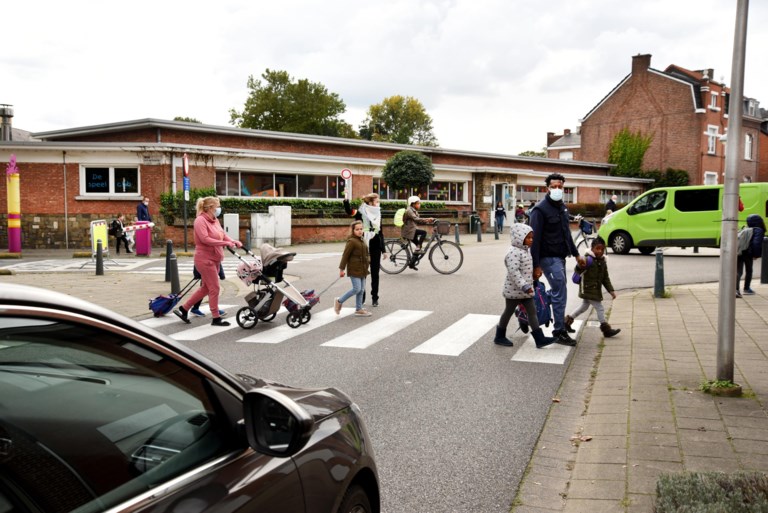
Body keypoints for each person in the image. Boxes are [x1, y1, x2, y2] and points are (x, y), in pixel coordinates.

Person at [529, 173, 585, 346]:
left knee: (559, 292)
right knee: (560, 291)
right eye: (553, 186)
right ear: (547, 188)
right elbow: (534, 239)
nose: (557, 189)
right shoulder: (540, 210)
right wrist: (536, 265)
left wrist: (576, 254)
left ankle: (527, 307)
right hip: (547, 258)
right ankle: (558, 330)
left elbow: (566, 234)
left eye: (560, 186)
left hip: (560, 257)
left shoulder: (562, 207)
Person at [174, 197, 241, 326]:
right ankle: (216, 317)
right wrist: (225, 243)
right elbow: (205, 239)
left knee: (205, 288)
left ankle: (184, 309)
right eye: (218, 206)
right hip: (204, 259)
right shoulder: (200, 220)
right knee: (214, 288)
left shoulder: (215, 220)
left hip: (215, 258)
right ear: (210, 207)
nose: (219, 209)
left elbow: (222, 234)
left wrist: (233, 241)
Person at [494, 223, 555, 348]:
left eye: (532, 237)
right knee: (508, 312)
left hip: (526, 290)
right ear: (519, 238)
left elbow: (525, 270)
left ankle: (539, 339)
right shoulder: (513, 252)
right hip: (514, 291)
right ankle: (499, 336)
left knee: (532, 312)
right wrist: (524, 286)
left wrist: (533, 278)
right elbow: (514, 272)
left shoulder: (525, 251)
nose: (531, 240)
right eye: (528, 237)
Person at [565, 237, 620, 338]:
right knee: (600, 308)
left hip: (594, 289)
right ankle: (606, 330)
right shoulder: (588, 259)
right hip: (588, 288)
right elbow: (578, 269)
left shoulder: (603, 261)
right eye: (597, 248)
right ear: (592, 248)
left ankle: (567, 322)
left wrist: (611, 290)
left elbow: (605, 278)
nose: (599, 251)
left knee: (584, 307)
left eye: (602, 249)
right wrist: (579, 265)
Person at [344, 192, 387, 307]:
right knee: (363, 272)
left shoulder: (378, 214)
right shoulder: (360, 212)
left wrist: (384, 250)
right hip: (363, 245)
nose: (378, 203)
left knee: (375, 273)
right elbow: (349, 212)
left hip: (376, 245)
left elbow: (380, 232)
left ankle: (375, 298)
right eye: (377, 201)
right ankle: (362, 297)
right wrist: (346, 200)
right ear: (370, 202)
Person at [334, 220, 372, 317]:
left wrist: (369, 260)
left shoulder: (362, 240)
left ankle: (358, 309)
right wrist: (341, 270)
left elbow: (367, 253)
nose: (360, 231)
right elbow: (345, 256)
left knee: (361, 290)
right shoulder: (352, 241)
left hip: (363, 269)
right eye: (357, 229)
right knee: (356, 289)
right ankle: (339, 301)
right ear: (353, 231)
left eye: (361, 229)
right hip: (354, 268)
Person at [736, 213, 766, 297]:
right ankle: (746, 288)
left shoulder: (745, 229)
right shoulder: (758, 230)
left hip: (739, 251)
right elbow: (756, 244)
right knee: (749, 270)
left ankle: (736, 289)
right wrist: (756, 255)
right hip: (748, 253)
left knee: (738, 271)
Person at [401, 196, 434, 269]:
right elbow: (416, 219)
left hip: (412, 230)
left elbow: (418, 220)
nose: (419, 205)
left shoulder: (413, 210)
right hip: (409, 231)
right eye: (418, 203)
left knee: (418, 248)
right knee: (424, 233)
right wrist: (428, 219)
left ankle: (411, 264)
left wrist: (428, 221)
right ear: (413, 204)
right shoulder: (409, 210)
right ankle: (417, 249)